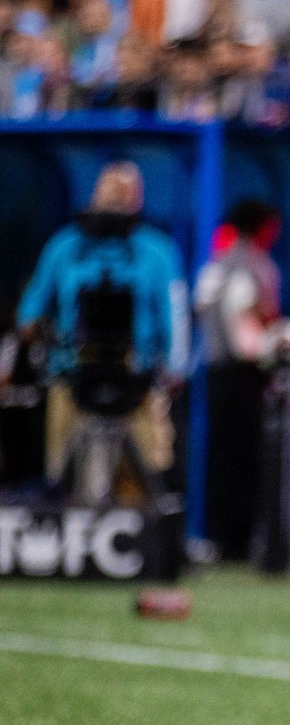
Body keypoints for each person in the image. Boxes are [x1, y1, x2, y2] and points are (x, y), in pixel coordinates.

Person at [15, 161, 188, 499]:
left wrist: (173, 368)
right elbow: (31, 314)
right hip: (73, 378)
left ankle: (142, 545)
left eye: (125, 195)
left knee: (140, 481)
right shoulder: (66, 247)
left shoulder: (156, 251)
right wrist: (48, 342)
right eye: (111, 193)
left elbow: (174, 314)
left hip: (136, 381)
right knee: (69, 480)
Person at [194, 198, 285, 559]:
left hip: (214, 372)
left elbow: (200, 308)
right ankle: (238, 543)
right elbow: (247, 327)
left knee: (220, 456)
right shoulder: (254, 265)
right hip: (245, 374)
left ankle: (219, 537)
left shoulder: (216, 266)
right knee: (244, 459)